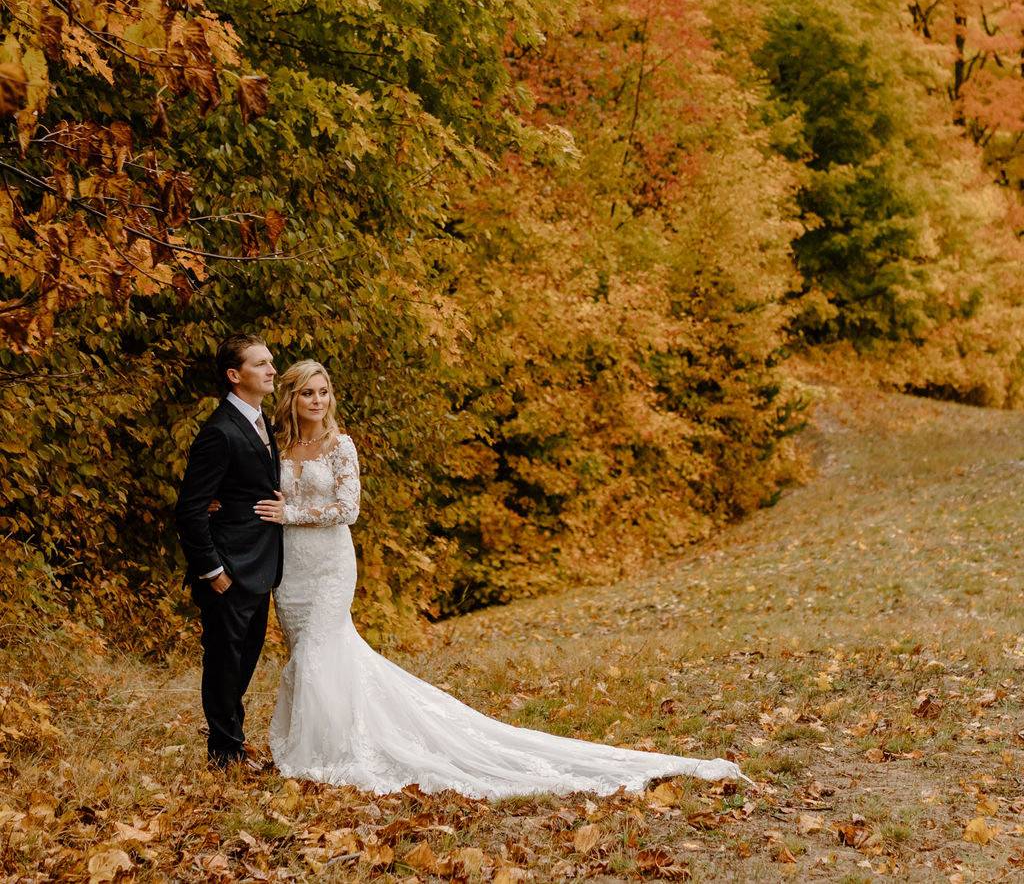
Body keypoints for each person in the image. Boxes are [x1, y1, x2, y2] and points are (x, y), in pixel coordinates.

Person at [254, 358, 749, 798]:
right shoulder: (278, 446)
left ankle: (330, 752)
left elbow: (350, 508)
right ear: (291, 398)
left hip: (331, 564)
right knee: (310, 651)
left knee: (322, 647)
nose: (317, 401)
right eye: (307, 393)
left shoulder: (342, 445)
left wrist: (289, 514)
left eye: (323, 392)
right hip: (291, 568)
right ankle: (325, 738)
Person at [175, 334, 282, 766]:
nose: (272, 370)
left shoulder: (261, 422)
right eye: (261, 364)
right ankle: (223, 752)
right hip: (228, 570)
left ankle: (233, 739)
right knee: (224, 661)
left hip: (258, 565)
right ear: (235, 376)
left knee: (244, 658)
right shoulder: (219, 432)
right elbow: (190, 509)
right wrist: (212, 571)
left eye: (271, 362)